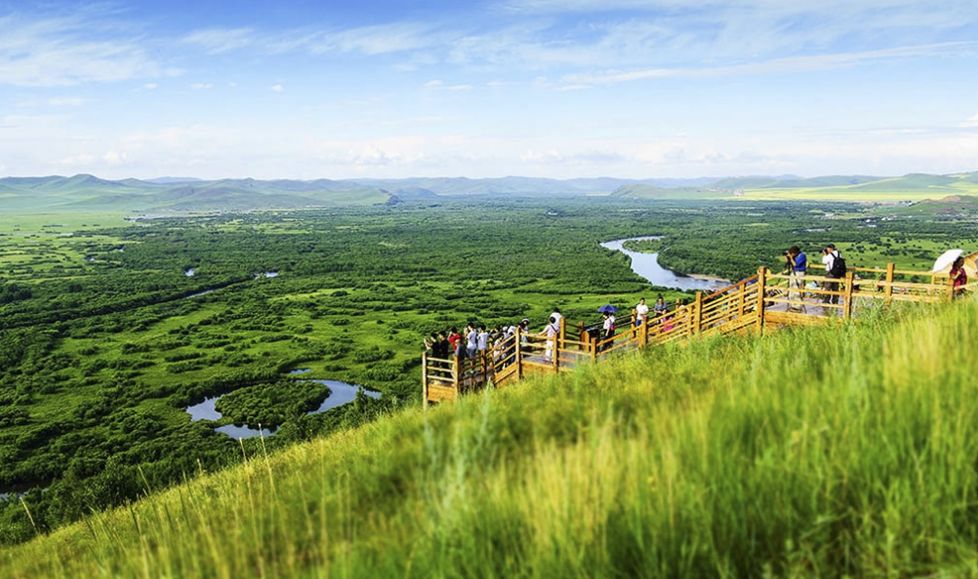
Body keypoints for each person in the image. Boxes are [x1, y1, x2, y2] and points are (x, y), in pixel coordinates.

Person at [785, 246, 807, 313]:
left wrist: (791, 258)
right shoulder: (795, 256)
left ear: (795, 252)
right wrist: (787, 258)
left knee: (796, 289)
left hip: (799, 273)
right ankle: (792, 304)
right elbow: (789, 263)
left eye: (792, 253)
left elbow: (795, 264)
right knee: (791, 288)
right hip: (793, 272)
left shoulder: (802, 256)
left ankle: (797, 306)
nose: (791, 255)